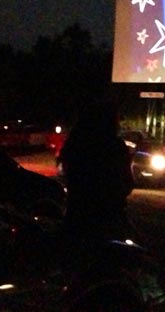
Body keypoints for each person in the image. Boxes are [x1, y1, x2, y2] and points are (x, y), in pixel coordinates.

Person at [58, 101, 134, 244]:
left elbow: (69, 177)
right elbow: (126, 183)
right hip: (109, 220)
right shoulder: (115, 147)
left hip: (77, 219)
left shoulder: (74, 144)